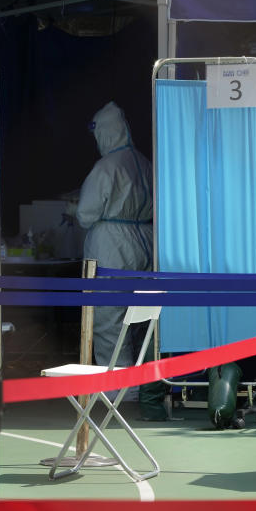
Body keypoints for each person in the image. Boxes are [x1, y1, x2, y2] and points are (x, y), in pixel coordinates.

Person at [68, 101, 164, 420]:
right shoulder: (145, 163)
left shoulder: (106, 167)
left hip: (111, 245)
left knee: (109, 316)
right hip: (145, 242)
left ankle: (118, 385)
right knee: (137, 319)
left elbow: (85, 213)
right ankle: (139, 379)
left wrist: (72, 211)